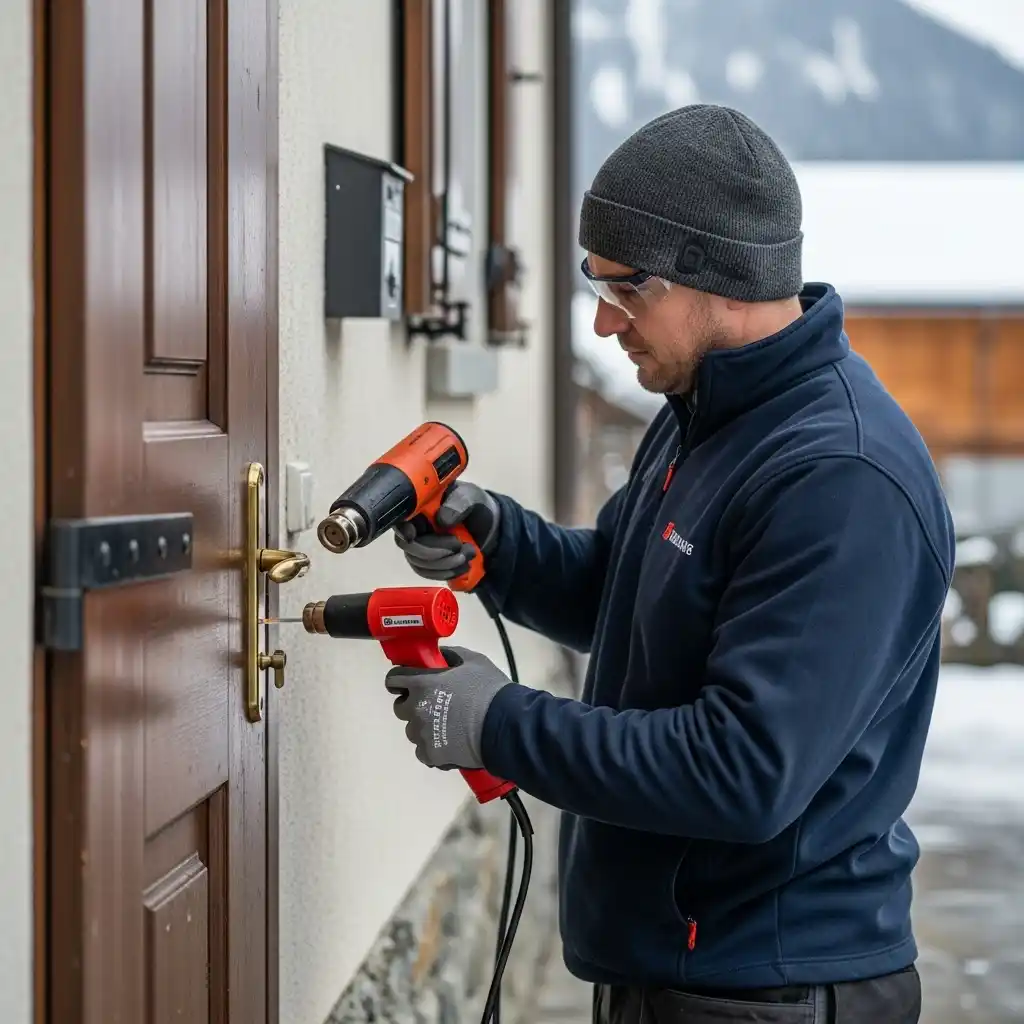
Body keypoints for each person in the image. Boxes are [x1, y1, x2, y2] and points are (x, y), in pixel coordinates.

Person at [384, 104, 954, 1024]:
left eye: (628, 288)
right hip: (678, 970)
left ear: (724, 275)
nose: (603, 320)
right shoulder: (704, 409)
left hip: (767, 992)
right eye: (593, 280)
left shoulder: (841, 478)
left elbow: (742, 770)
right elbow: (627, 592)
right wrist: (499, 545)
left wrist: (501, 724)